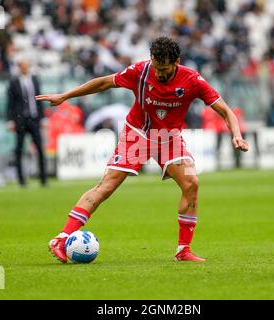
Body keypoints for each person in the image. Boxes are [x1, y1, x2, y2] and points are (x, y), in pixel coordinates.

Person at [36, 37, 249, 263]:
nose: (158, 73)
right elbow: (103, 83)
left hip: (168, 138)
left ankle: (183, 250)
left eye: (164, 69)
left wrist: (236, 135)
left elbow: (226, 111)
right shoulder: (140, 71)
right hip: (137, 134)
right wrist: (65, 96)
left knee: (191, 183)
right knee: (107, 186)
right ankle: (61, 238)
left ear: (177, 61)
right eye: (156, 67)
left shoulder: (192, 80)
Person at [7, 59, 47, 187]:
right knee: (19, 150)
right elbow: (11, 103)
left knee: (40, 148)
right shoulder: (14, 82)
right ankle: (21, 180)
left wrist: (42, 118)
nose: (25, 68)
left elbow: (39, 100)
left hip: (34, 119)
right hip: (20, 120)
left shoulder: (34, 80)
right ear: (20, 68)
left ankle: (43, 178)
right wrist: (11, 120)